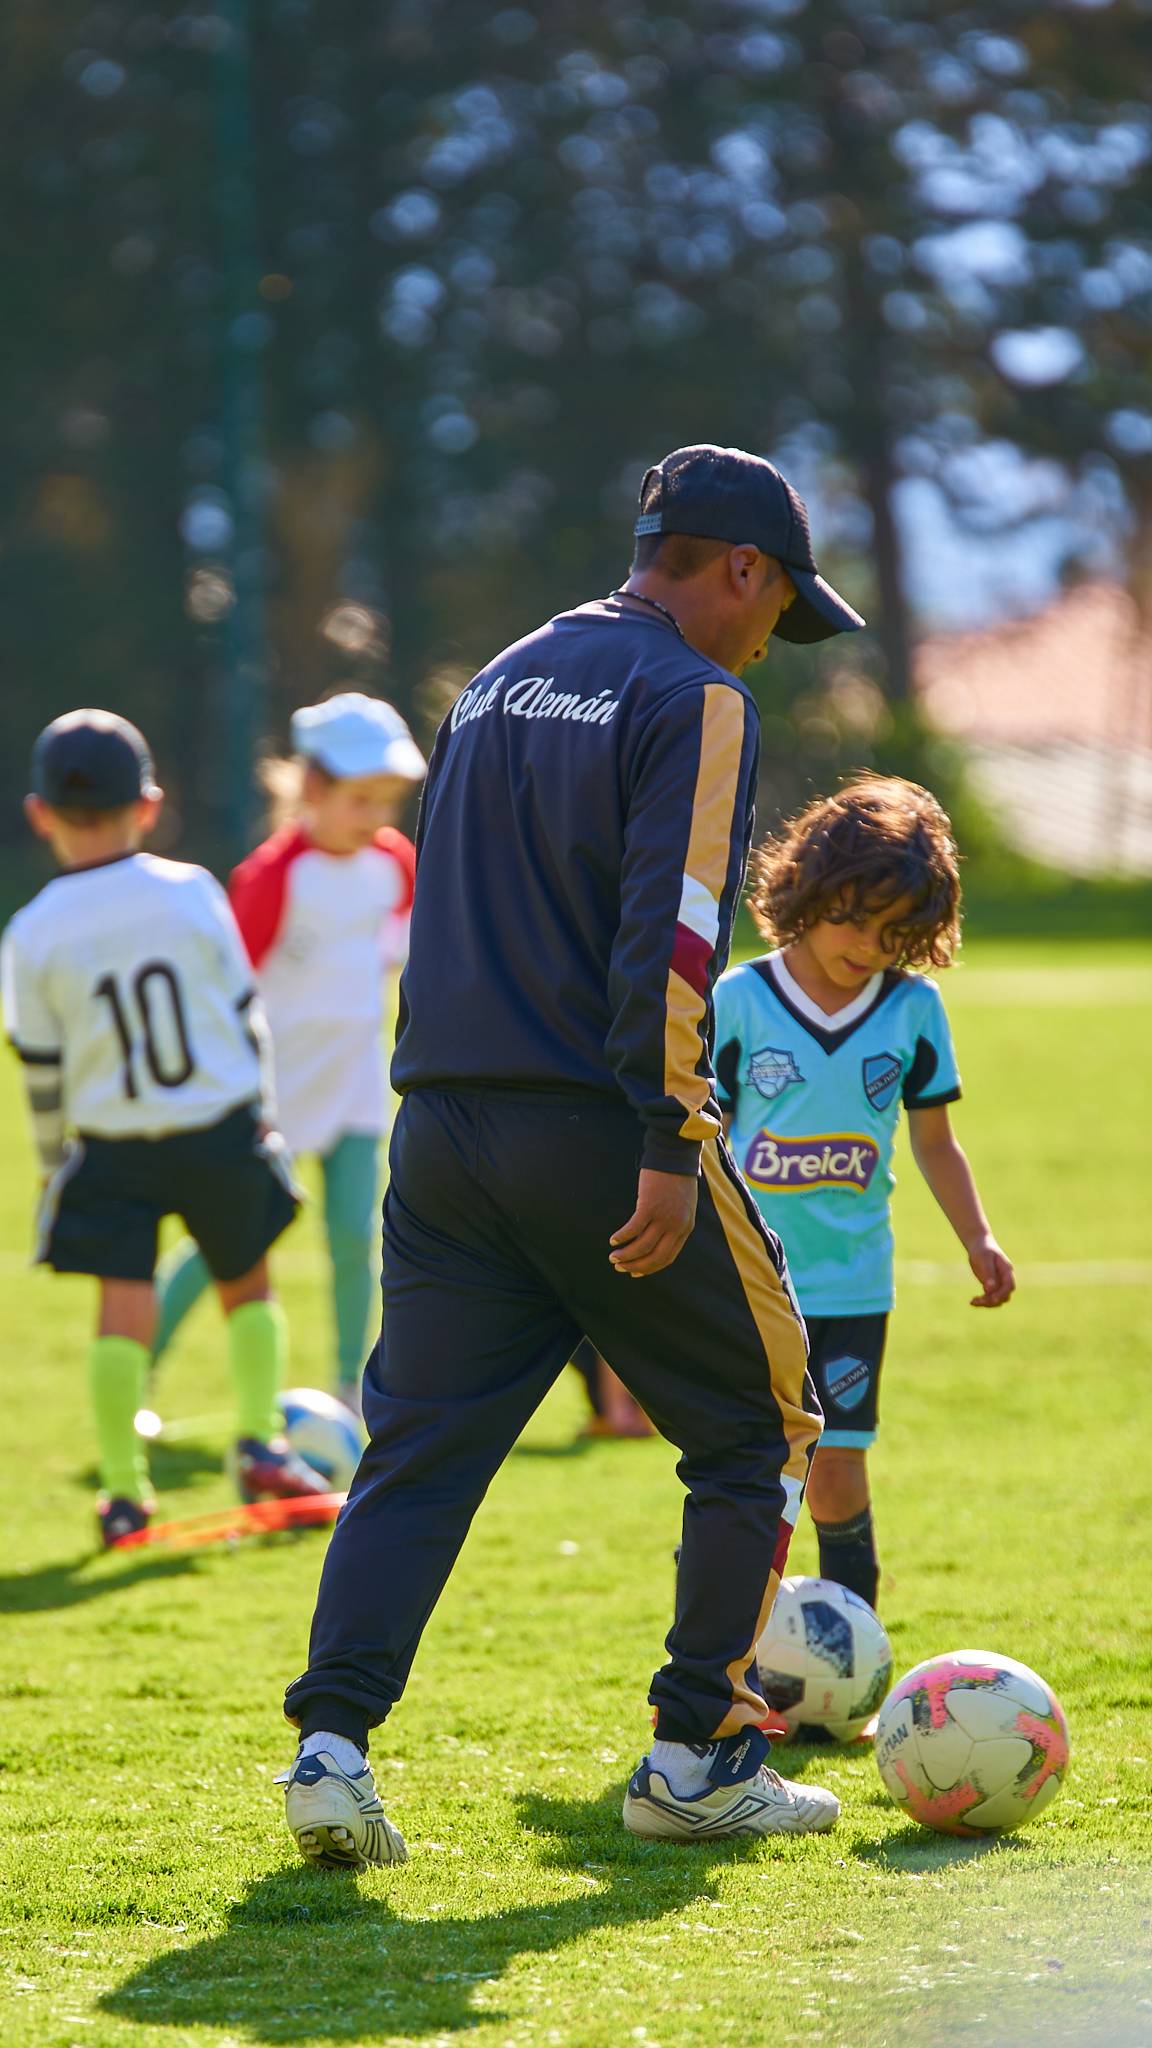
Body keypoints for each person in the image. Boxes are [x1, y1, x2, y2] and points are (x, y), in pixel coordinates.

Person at [279, 442, 866, 1870]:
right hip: (596, 1129)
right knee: (765, 1419)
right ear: (737, 569)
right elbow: (673, 934)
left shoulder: (494, 678)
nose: (769, 645)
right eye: (778, 608)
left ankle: (329, 1751)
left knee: (411, 1456)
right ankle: (700, 1757)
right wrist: (670, 1136)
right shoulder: (695, 693)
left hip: (441, 1130)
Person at [1, 710, 328, 1548]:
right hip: (215, 1126)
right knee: (246, 1282)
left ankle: (121, 1492)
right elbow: (242, 1012)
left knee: (123, 1306)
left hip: (110, 1143)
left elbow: (38, 1069)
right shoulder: (190, 892)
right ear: (149, 804)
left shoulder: (32, 929)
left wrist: (51, 1163)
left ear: (40, 815)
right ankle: (262, 1443)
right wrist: (262, 1114)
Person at [713, 775, 1015, 1628]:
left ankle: (849, 1659)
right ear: (806, 891)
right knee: (750, 1469)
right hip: (750, 1282)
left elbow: (933, 1141)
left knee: (838, 1470)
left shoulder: (914, 1012)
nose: (869, 945)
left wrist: (978, 1237)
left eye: (896, 933)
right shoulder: (740, 999)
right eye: (852, 917)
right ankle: (732, 1663)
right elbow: (702, 1139)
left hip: (851, 1284)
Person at [148, 693, 424, 1415]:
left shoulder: (395, 863)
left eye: (386, 802)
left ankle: (352, 1390)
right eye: (360, 799)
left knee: (355, 1237)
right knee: (227, 1238)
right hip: (271, 1089)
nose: (375, 818)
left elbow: (400, 951)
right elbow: (224, 987)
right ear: (312, 789)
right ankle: (137, 1364)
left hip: (358, 1082)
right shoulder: (271, 876)